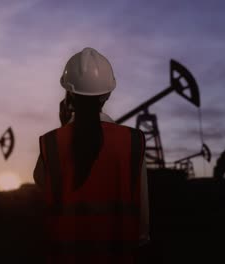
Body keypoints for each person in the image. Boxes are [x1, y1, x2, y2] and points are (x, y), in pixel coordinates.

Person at [33, 47, 149, 263]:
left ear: (69, 95)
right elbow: (142, 227)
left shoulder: (50, 143)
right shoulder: (133, 142)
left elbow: (45, 187)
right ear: (108, 94)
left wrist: (63, 126)